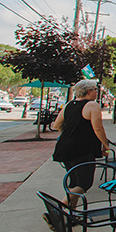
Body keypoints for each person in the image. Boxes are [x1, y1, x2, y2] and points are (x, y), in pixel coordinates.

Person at [48, 79, 110, 220]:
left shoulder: (69, 105)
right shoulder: (92, 105)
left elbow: (57, 125)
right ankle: (57, 212)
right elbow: (98, 128)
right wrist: (105, 145)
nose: (96, 91)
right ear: (88, 91)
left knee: (74, 182)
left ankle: (71, 215)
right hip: (82, 149)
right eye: (95, 89)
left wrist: (73, 130)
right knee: (84, 183)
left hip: (65, 148)